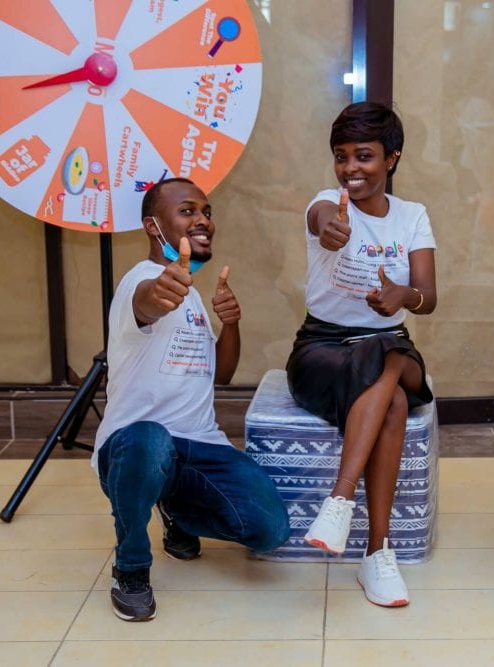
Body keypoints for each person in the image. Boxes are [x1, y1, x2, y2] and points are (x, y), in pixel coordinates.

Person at [93, 177, 290, 621]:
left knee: (271, 530)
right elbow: (146, 304)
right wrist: (159, 294)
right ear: (152, 225)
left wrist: (231, 325)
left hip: (199, 446)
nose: (202, 219)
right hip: (134, 451)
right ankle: (131, 568)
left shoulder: (195, 298)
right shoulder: (140, 282)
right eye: (187, 211)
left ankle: (177, 512)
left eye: (207, 211)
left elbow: (220, 374)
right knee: (150, 439)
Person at [287, 102, 437, 607]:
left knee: (387, 347)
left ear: (392, 158)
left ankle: (340, 499)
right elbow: (322, 217)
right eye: (342, 156)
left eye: (365, 156)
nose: (351, 168)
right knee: (392, 399)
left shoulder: (413, 215)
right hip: (322, 348)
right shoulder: (326, 204)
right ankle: (377, 553)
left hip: (392, 346)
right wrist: (332, 226)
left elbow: (428, 298)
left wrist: (403, 296)